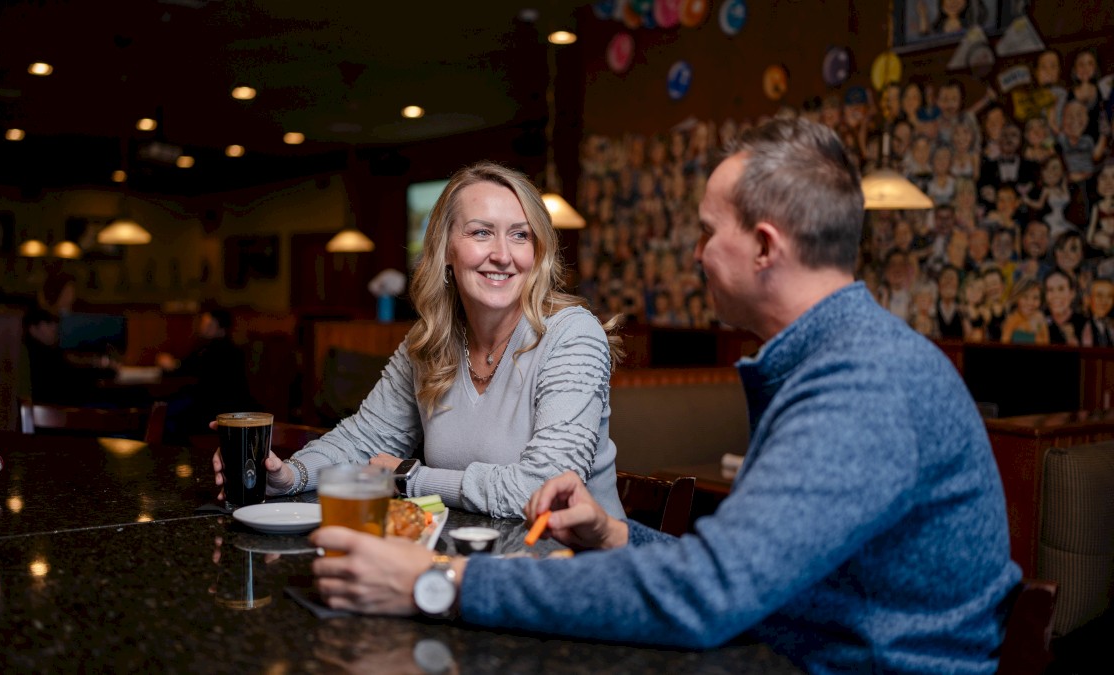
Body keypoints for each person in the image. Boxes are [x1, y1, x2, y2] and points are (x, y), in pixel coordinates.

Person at [308, 119, 1021, 673]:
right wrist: (615, 534)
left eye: (709, 233)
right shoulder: (834, 359)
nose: (697, 253)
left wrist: (439, 581)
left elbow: (705, 597)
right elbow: (742, 575)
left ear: (765, 247)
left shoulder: (864, 383)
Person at [214, 161, 626, 519]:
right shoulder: (430, 341)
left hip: (580, 569)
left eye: (520, 235)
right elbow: (363, 441)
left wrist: (409, 476)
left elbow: (545, 489)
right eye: (482, 233)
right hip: (470, 556)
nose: (503, 254)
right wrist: (290, 475)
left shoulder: (573, 335)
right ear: (446, 248)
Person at [157, 308, 254, 440]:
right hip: (211, 406)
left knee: (162, 414)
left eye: (207, 324)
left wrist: (173, 365)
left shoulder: (219, 350)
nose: (203, 327)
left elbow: (189, 370)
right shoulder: (209, 346)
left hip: (210, 409)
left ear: (219, 326)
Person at [21, 308, 108, 404]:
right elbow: (67, 380)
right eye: (48, 323)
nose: (54, 327)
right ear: (33, 329)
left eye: (55, 322)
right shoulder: (38, 356)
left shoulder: (45, 352)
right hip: (58, 410)